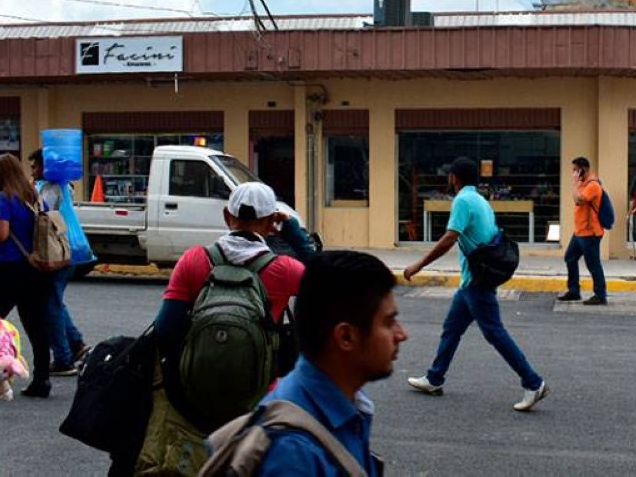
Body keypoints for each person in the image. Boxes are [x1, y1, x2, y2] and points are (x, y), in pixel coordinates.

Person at [134, 182, 305, 475]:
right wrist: (293, 233)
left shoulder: (194, 260)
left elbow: (165, 330)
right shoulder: (284, 270)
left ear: (228, 216)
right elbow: (328, 280)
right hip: (259, 395)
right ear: (269, 223)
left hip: (194, 395)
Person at [232, 251, 409, 476]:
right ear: (345, 337)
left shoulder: (349, 405)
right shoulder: (292, 454)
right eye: (389, 322)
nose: (402, 334)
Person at [404, 157, 548, 412]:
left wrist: (418, 265)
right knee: (452, 328)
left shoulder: (461, 200)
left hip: (477, 281)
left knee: (494, 332)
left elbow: (450, 237)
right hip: (475, 278)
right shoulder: (481, 200)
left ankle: (533, 382)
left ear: (454, 178)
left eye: (450, 175)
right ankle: (435, 378)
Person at [0, 154, 54, 398]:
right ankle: (41, 379)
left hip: (7, 269)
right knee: (37, 326)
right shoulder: (34, 198)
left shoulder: (2, 199)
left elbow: (2, 234)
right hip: (36, 269)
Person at [28, 149, 90, 376]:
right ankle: (76, 345)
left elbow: (41, 215)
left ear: (46, 167)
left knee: (50, 305)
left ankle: (64, 359)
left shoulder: (51, 189)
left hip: (56, 252)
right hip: (68, 250)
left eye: (35, 166)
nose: (33, 171)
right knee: (54, 301)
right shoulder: (62, 186)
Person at [556, 156, 608, 305]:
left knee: (593, 264)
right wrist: (578, 183)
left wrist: (575, 183)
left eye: (575, 170)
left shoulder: (592, 185)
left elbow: (578, 200)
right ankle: (574, 290)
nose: (573, 173)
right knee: (570, 258)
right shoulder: (584, 183)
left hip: (590, 232)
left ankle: (600, 294)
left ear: (582, 170)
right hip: (580, 231)